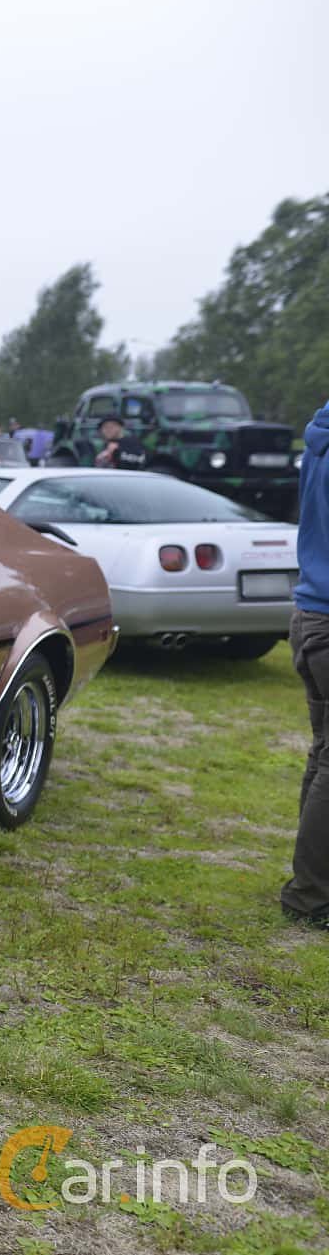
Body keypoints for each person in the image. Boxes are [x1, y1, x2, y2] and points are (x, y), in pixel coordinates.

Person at [286, 398, 329, 931]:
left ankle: (311, 884)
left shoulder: (319, 435)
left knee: (324, 751)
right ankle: (311, 893)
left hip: (310, 612)